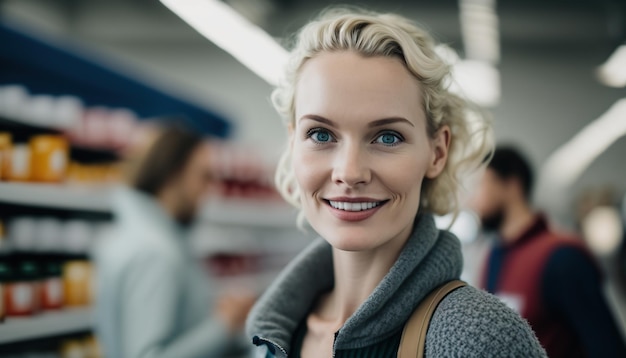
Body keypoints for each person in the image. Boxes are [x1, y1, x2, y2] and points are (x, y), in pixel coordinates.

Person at [246, 8, 547, 357]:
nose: (350, 171)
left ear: (437, 152)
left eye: (387, 137)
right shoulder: (274, 335)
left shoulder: (479, 339)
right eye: (320, 133)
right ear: (293, 143)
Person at [94, 124, 254, 358]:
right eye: (204, 176)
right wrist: (224, 326)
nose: (210, 189)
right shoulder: (153, 252)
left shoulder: (149, 238)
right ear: (173, 175)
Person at [471, 145, 626, 357]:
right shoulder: (494, 258)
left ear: (511, 185)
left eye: (482, 185)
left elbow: (607, 348)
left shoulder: (562, 256)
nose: (474, 201)